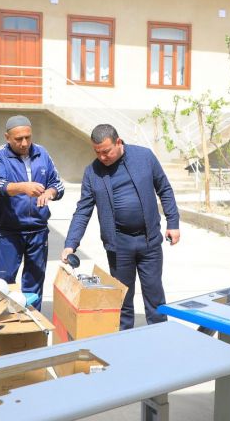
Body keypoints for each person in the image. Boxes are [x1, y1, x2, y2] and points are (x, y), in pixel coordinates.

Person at [61, 124, 180, 329]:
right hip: (119, 245)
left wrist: (173, 222)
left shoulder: (144, 157)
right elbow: (83, 211)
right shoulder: (92, 172)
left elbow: (165, 189)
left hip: (149, 240)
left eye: (106, 151)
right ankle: (124, 339)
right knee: (122, 299)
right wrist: (70, 244)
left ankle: (161, 335)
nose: (102, 157)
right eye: (97, 152)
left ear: (118, 142)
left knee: (155, 296)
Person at [0, 115, 64, 310]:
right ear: (7, 137)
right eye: (18, 139)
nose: (24, 143)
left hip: (38, 231)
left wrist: (50, 193)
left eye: (28, 137)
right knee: (4, 283)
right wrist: (23, 187)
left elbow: (57, 184)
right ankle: (6, 321)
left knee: (34, 282)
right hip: (9, 232)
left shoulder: (42, 153)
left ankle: (32, 320)